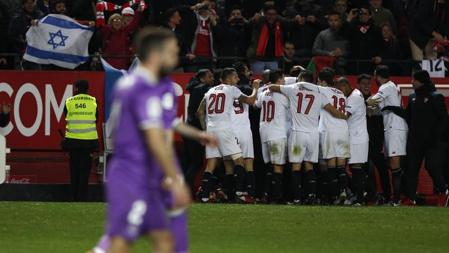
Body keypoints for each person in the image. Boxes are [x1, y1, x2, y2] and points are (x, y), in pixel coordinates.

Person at [102, 27, 218, 253]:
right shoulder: (141, 87)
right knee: (119, 245)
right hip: (133, 175)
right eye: (172, 53)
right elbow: (154, 136)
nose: (176, 60)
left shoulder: (153, 85)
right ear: (156, 55)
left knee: (165, 240)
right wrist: (174, 178)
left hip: (146, 173)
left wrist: (197, 134)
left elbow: (166, 121)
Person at [268, 70, 347, 204]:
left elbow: (272, 87)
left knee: (296, 166)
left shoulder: (293, 89)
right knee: (309, 166)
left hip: (298, 134)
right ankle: (311, 196)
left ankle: (298, 198)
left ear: (301, 79)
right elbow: (334, 112)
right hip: (313, 136)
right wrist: (345, 116)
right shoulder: (320, 94)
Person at [383, 70, 449, 206]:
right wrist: (392, 108)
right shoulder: (413, 97)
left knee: (432, 167)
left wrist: (436, 136)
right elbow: (407, 115)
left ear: (422, 81)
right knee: (411, 170)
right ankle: (411, 198)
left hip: (431, 142)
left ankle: (445, 190)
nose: (412, 82)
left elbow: (444, 119)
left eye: (415, 80)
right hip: (414, 142)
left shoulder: (436, 97)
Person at [197, 68, 260, 203]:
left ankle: (204, 196)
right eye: (236, 77)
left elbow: (200, 112)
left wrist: (205, 129)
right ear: (229, 79)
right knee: (239, 160)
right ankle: (240, 194)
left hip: (211, 130)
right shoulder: (231, 89)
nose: (237, 80)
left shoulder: (210, 91)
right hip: (225, 129)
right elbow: (250, 101)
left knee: (211, 164)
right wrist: (255, 88)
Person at [367, 65, 408, 206]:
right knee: (393, 165)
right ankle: (397, 197)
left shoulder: (385, 87)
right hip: (394, 127)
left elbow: (371, 101)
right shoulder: (392, 86)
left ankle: (396, 200)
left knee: (395, 166)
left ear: (377, 75)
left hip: (394, 127)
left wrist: (365, 102)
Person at [314, 68, 350, 205]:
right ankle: (343, 192)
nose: (317, 83)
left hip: (329, 130)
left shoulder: (321, 90)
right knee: (341, 164)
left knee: (331, 164)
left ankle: (334, 196)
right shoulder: (340, 92)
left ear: (323, 81)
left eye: (318, 81)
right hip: (343, 130)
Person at [256, 69, 289, 203]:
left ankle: (266, 195)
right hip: (276, 133)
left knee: (269, 165)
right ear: (280, 79)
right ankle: (276, 197)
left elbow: (256, 104)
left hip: (264, 133)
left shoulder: (263, 93)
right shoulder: (283, 96)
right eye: (284, 78)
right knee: (278, 166)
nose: (285, 80)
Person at [62, 80, 99, 201]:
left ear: (76, 88)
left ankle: (74, 197)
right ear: (87, 89)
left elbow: (66, 116)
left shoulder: (69, 102)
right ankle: (82, 198)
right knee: (85, 173)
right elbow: (96, 118)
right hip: (88, 142)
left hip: (73, 142)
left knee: (74, 171)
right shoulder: (93, 101)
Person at [357, 74, 390, 204]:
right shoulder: (355, 99)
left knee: (381, 169)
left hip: (375, 142)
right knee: (366, 170)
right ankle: (369, 195)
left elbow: (379, 121)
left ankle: (387, 196)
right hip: (362, 141)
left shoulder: (376, 100)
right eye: (363, 83)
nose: (366, 86)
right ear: (358, 85)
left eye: (368, 84)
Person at [336, 77, 369, 205]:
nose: (340, 93)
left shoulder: (355, 96)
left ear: (345, 86)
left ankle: (360, 199)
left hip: (358, 138)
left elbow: (345, 115)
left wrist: (330, 110)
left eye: (340, 90)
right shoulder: (352, 96)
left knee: (356, 168)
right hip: (353, 137)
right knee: (351, 168)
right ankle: (358, 194)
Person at [184, 69, 215, 192]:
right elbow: (199, 113)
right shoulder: (203, 89)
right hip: (195, 131)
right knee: (196, 163)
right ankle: (187, 191)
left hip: (189, 129)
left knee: (190, 162)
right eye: (209, 76)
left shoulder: (195, 88)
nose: (212, 78)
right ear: (202, 78)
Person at [99, 4, 143, 69]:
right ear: (111, 22)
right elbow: (99, 25)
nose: (117, 22)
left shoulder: (124, 31)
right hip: (108, 63)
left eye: (119, 20)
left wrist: (138, 12)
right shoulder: (106, 30)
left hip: (122, 63)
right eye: (115, 20)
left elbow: (133, 24)